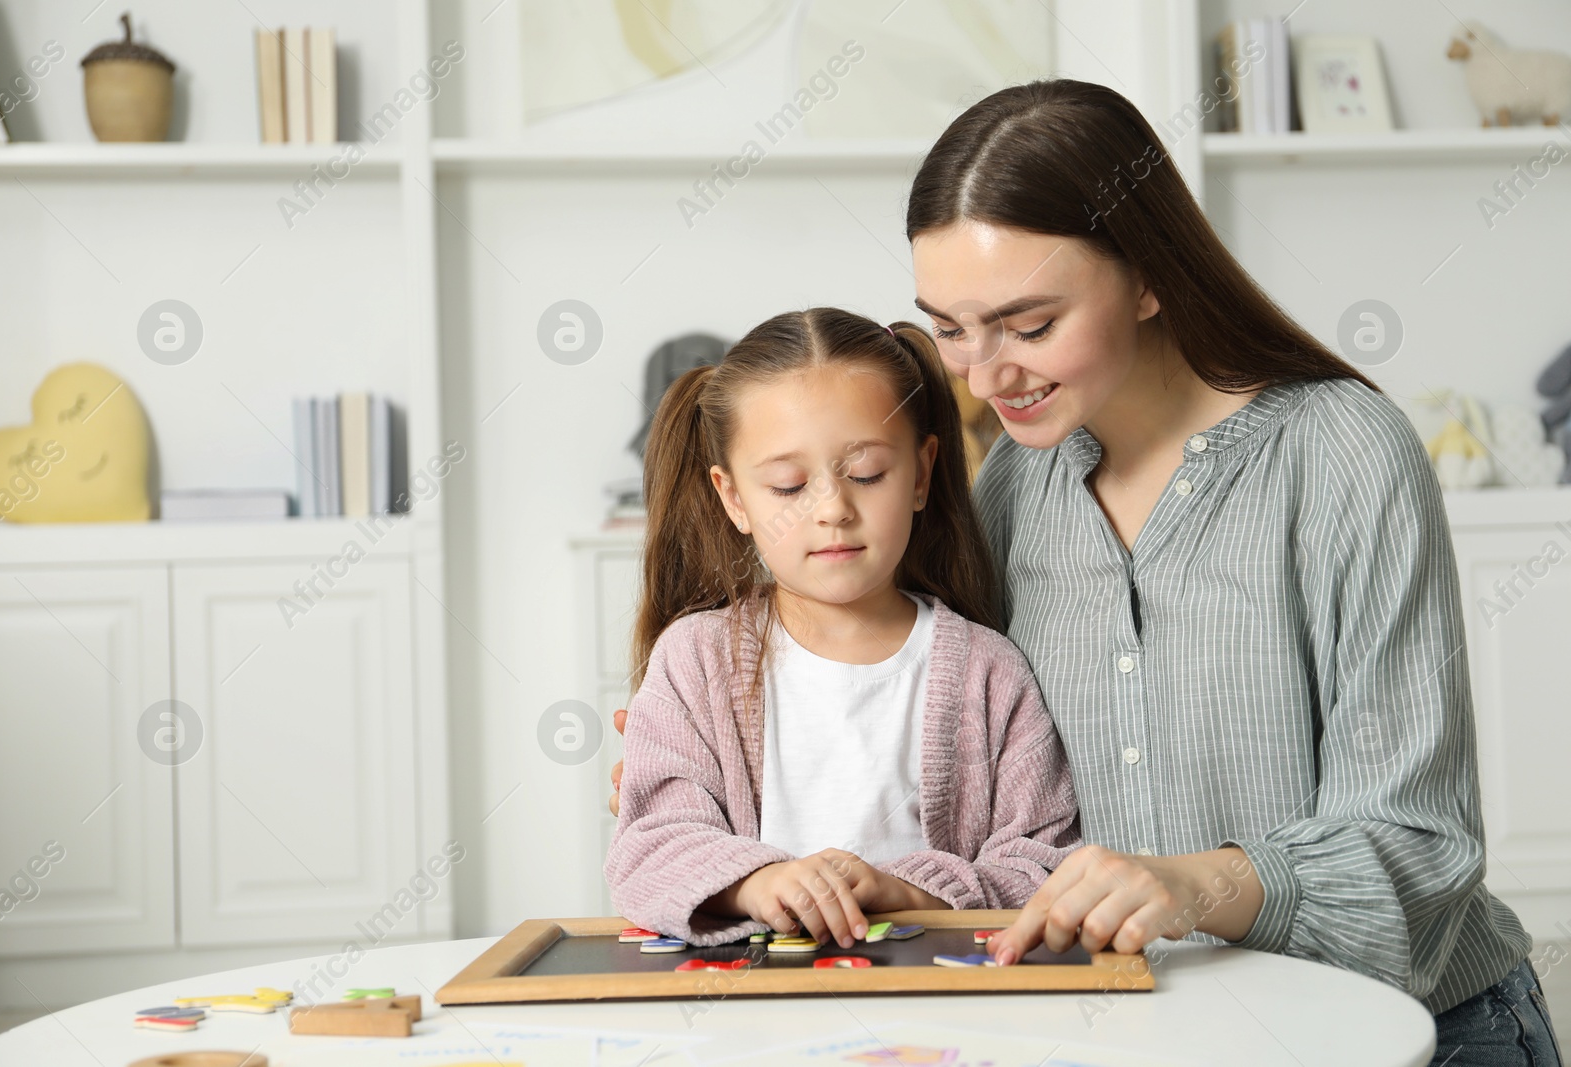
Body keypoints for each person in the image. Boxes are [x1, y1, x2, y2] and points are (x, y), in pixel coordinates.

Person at [614, 80, 1561, 1065]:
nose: (981, 378)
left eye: (1027, 326)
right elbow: (964, 746)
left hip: (1407, 1028)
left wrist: (1195, 883)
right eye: (949, 327)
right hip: (1156, 1027)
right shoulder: (1020, 481)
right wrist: (715, 757)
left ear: (1149, 276)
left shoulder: (1342, 455)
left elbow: (1420, 843)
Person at [605, 307, 1079, 949]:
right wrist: (756, 882)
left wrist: (908, 892)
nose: (832, 509)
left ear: (921, 473)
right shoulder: (697, 659)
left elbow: (1042, 863)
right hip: (753, 1011)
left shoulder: (987, 669)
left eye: (866, 475)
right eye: (787, 485)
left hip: (940, 1010)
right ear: (734, 498)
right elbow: (649, 848)